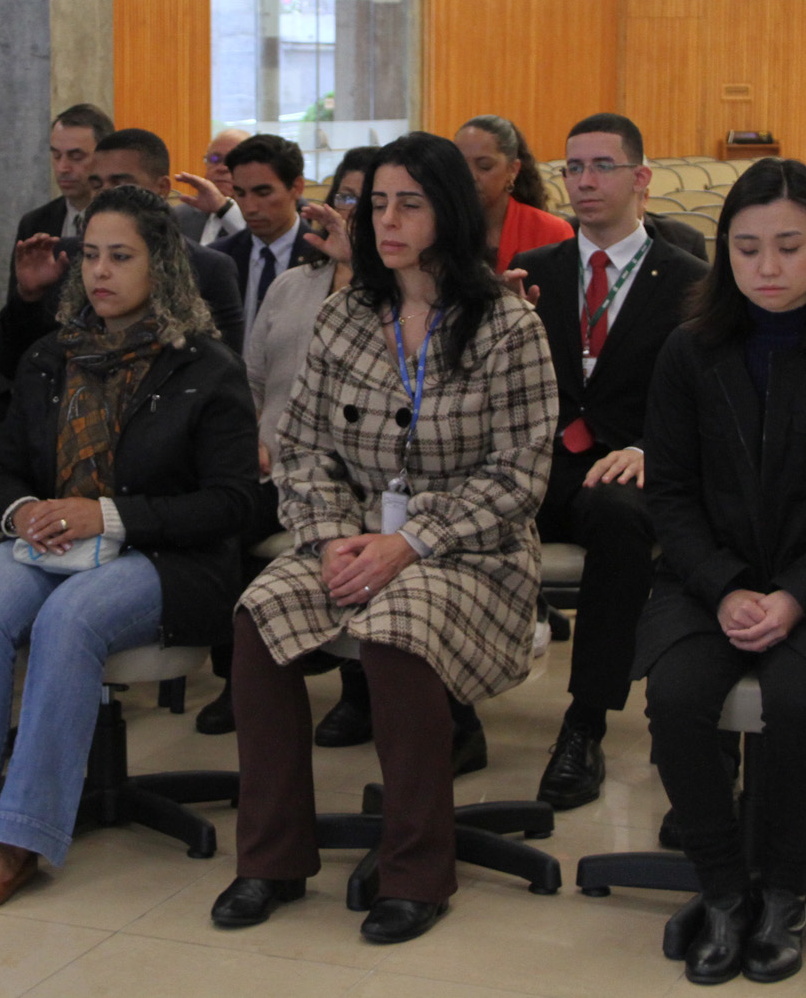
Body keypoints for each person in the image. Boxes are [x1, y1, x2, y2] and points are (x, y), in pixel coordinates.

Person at [215, 132, 558, 946]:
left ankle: (417, 870)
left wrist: (409, 544)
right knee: (258, 616)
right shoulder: (345, 316)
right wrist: (334, 537)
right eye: (377, 204)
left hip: (474, 551)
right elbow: (301, 449)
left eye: (410, 201)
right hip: (351, 539)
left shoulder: (508, 325)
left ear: (448, 209)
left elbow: (520, 475)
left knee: (397, 635)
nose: (389, 219)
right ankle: (272, 858)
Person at [0, 185, 258, 910]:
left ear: (162, 265)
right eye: (89, 254)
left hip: (168, 560)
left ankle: (19, 835)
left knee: (71, 619)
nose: (99, 272)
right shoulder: (49, 356)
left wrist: (110, 516)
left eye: (120, 256)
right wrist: (23, 508)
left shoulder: (206, 368)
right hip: (52, 542)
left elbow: (232, 504)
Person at [635, 157, 806, 985]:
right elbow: (672, 495)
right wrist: (725, 586)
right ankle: (724, 890)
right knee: (677, 696)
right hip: (707, 582)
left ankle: (785, 891)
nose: (767, 266)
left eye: (788, 245)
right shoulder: (690, 352)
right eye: (748, 248)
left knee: (795, 701)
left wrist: (796, 597)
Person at [509, 114, 708, 812]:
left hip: (631, 464)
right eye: (574, 168)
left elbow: (704, 397)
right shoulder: (533, 273)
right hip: (539, 461)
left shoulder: (690, 281)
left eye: (602, 166)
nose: (585, 182)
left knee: (622, 520)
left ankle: (584, 722)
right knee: (456, 503)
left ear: (641, 179)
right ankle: (447, 710)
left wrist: (651, 448)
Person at [195, 145, 375, 737]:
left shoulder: (404, 293)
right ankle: (242, 677)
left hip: (362, 474)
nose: (356, 211)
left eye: (370, 201)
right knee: (223, 519)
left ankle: (360, 689)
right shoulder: (294, 284)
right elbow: (248, 377)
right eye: (347, 197)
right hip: (276, 462)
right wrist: (246, 439)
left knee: (355, 529)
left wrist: (356, 271)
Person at [0, 128, 245, 381]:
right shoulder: (63, 258)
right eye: (97, 185)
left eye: (120, 184)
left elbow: (224, 373)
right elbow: (13, 365)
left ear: (161, 188)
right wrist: (29, 297)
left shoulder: (209, 267)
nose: (107, 195)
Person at [213, 134, 313, 341]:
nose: (249, 208)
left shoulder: (322, 259)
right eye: (240, 193)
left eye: (263, 193)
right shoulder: (218, 260)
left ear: (297, 187)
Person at [455, 115, 573, 271]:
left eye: (484, 166)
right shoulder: (436, 228)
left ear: (512, 170)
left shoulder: (552, 232)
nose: (470, 176)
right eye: (460, 165)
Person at [13, 103, 114, 253]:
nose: (62, 168)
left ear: (106, 157)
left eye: (76, 157)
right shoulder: (34, 224)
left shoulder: (128, 222)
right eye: (56, 156)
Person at [173, 127, 251, 246]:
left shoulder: (262, 217)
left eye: (234, 160)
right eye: (215, 159)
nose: (222, 168)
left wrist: (224, 209)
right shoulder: (179, 216)